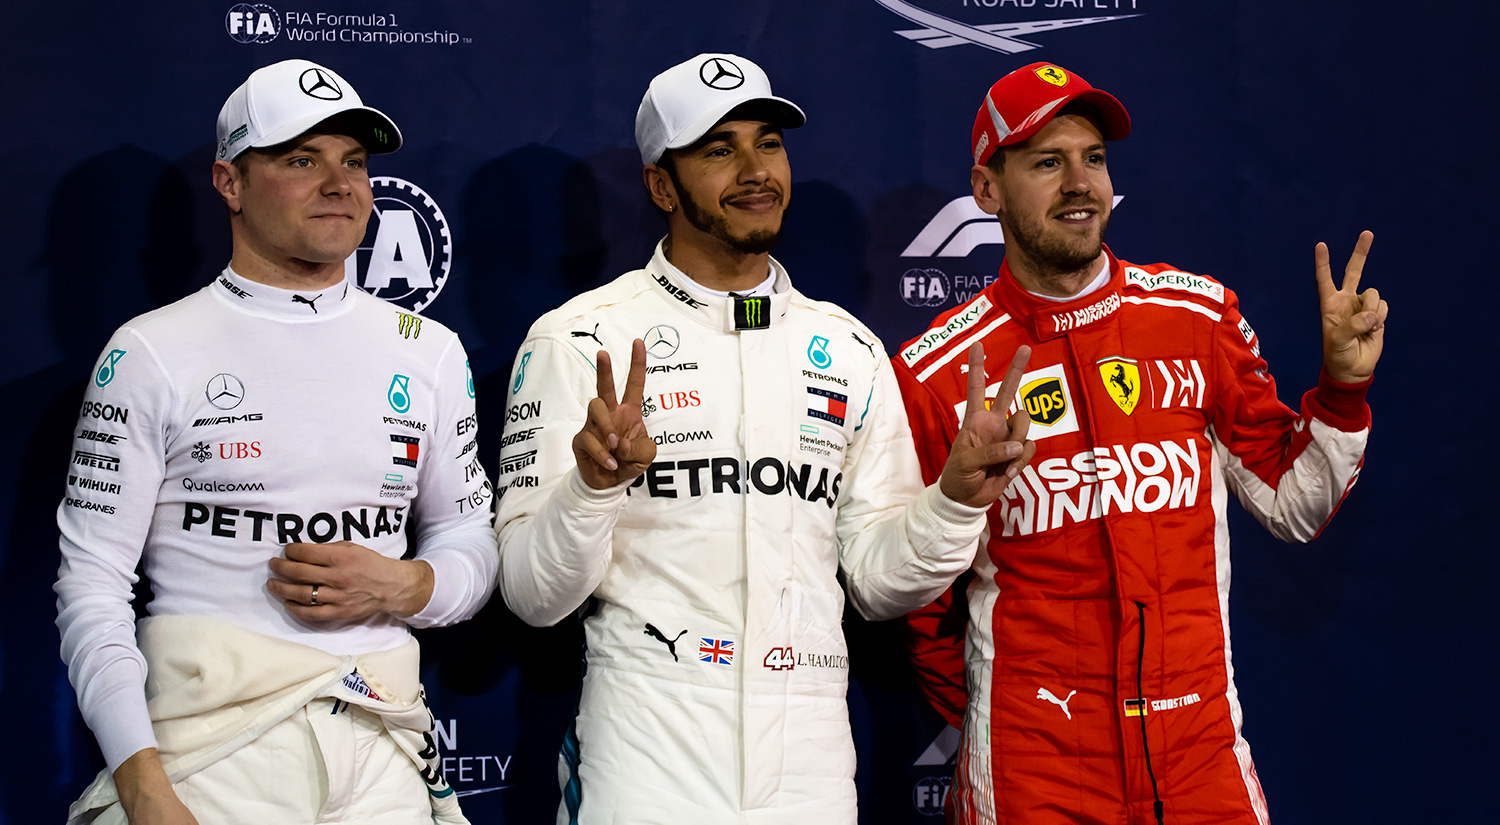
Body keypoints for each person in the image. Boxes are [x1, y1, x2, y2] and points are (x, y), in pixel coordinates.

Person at [494, 53, 1035, 824]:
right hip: (649, 740)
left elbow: (879, 585)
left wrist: (951, 505)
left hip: (810, 751)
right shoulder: (580, 340)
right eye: (719, 150)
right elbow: (531, 594)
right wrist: (592, 487)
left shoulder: (847, 348)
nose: (755, 170)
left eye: (769, 142)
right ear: (660, 185)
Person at [895, 62, 1387, 824]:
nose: (1080, 183)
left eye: (1093, 158)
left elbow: (1295, 503)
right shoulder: (935, 373)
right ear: (987, 189)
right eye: (1047, 162)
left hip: (1200, 756)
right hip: (1037, 770)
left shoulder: (1196, 320)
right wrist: (1011, 713)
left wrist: (1343, 390)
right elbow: (916, 598)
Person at [55, 59, 495, 825]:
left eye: (353, 162)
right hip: (211, 759)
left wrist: (406, 586)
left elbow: (469, 540)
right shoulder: (151, 351)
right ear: (229, 182)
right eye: (301, 160)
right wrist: (145, 788)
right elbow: (92, 588)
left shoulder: (428, 350)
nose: (340, 184)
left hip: (385, 748)